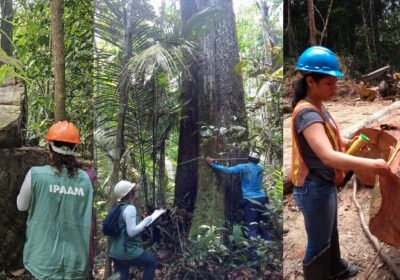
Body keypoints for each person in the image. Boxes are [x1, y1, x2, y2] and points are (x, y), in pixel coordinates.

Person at [291, 46, 388, 280]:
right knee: (318, 242)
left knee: (330, 233)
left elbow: (325, 140)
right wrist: (371, 165)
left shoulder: (317, 106)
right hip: (313, 188)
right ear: (311, 81)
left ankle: (335, 269)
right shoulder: (307, 113)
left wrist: (347, 141)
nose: (335, 88)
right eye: (329, 84)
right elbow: (327, 156)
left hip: (324, 183)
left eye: (335, 83)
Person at [17, 121, 93, 279]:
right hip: (76, 262)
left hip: (42, 260)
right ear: (74, 149)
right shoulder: (85, 180)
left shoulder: (36, 174)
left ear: (49, 147)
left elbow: (21, 206)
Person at [205, 152, 270, 263]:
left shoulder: (244, 167)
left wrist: (213, 164)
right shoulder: (261, 168)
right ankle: (269, 254)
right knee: (264, 227)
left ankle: (253, 259)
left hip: (251, 201)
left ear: (248, 158)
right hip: (263, 200)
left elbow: (229, 171)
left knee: (252, 228)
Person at [109, 180, 157, 280]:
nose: (136, 192)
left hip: (115, 252)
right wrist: (147, 220)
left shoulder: (116, 208)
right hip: (128, 251)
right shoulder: (130, 208)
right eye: (134, 190)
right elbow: (131, 232)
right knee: (152, 262)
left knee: (122, 275)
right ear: (130, 194)